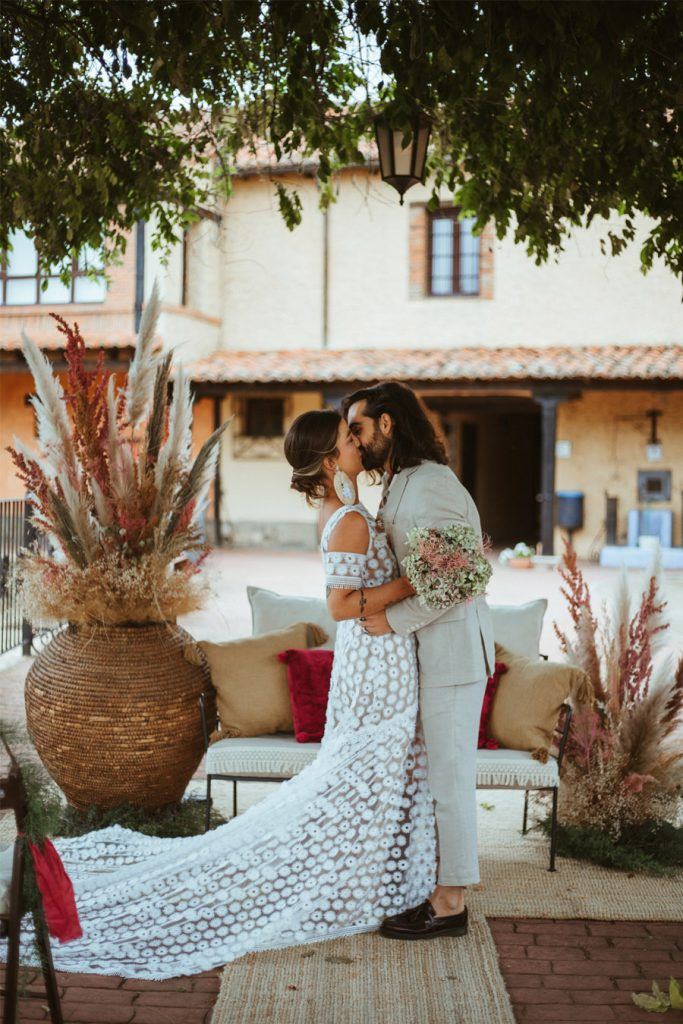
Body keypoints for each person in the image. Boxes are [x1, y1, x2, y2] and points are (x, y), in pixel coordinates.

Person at [6, 410, 437, 980]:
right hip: (376, 664)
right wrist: (419, 578)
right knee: (370, 769)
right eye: (347, 437)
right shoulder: (350, 518)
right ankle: (371, 873)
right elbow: (338, 606)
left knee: (373, 770)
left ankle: (378, 865)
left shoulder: (347, 511)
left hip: (374, 660)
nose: (358, 441)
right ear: (332, 461)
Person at [343, 381, 495, 942]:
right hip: (433, 655)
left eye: (357, 429)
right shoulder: (403, 481)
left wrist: (394, 621)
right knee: (435, 777)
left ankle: (451, 903)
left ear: (387, 424)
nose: (354, 440)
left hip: (453, 656)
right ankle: (434, 884)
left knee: (449, 780)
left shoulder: (430, 483)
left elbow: (463, 574)